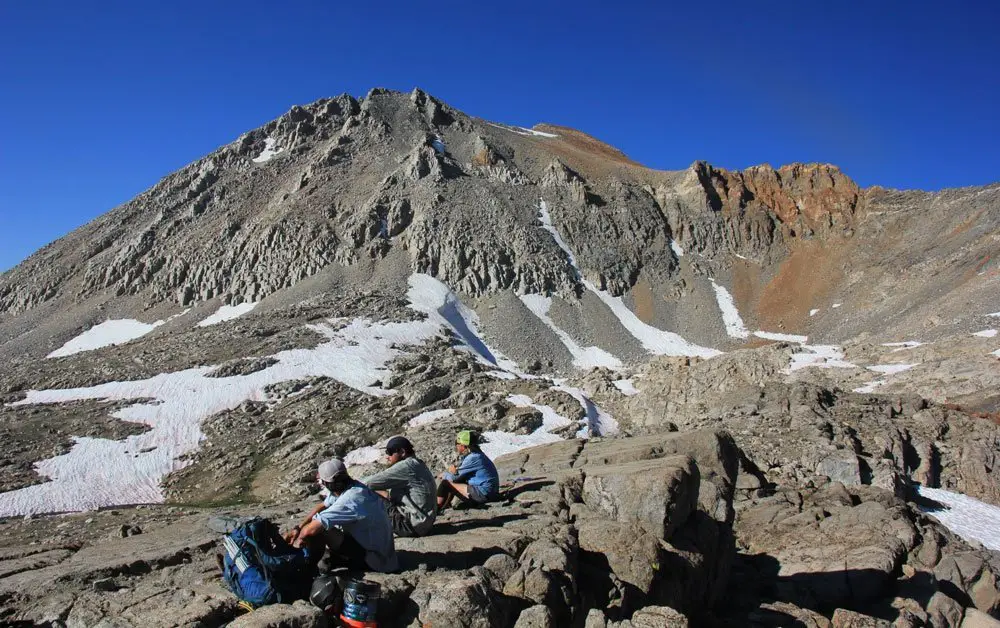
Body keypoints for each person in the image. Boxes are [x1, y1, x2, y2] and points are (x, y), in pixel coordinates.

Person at [286, 458, 398, 573]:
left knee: (320, 530)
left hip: (376, 561)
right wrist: (298, 528)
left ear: (328, 484)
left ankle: (307, 568)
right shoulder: (352, 486)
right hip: (382, 553)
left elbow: (310, 530)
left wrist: (298, 540)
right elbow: (321, 506)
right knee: (315, 526)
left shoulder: (350, 499)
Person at [362, 436, 438, 537]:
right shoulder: (418, 463)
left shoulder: (406, 466)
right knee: (380, 493)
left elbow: (368, 483)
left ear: (402, 452)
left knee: (364, 493)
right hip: (424, 523)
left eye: (389, 453)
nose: (387, 457)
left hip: (410, 526)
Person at [436, 430, 500, 511]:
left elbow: (454, 478)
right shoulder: (477, 454)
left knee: (446, 483)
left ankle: (436, 508)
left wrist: (445, 474)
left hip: (483, 494)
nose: (456, 446)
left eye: (457, 444)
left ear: (463, 446)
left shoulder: (472, 458)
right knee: (458, 480)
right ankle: (445, 505)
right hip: (491, 493)